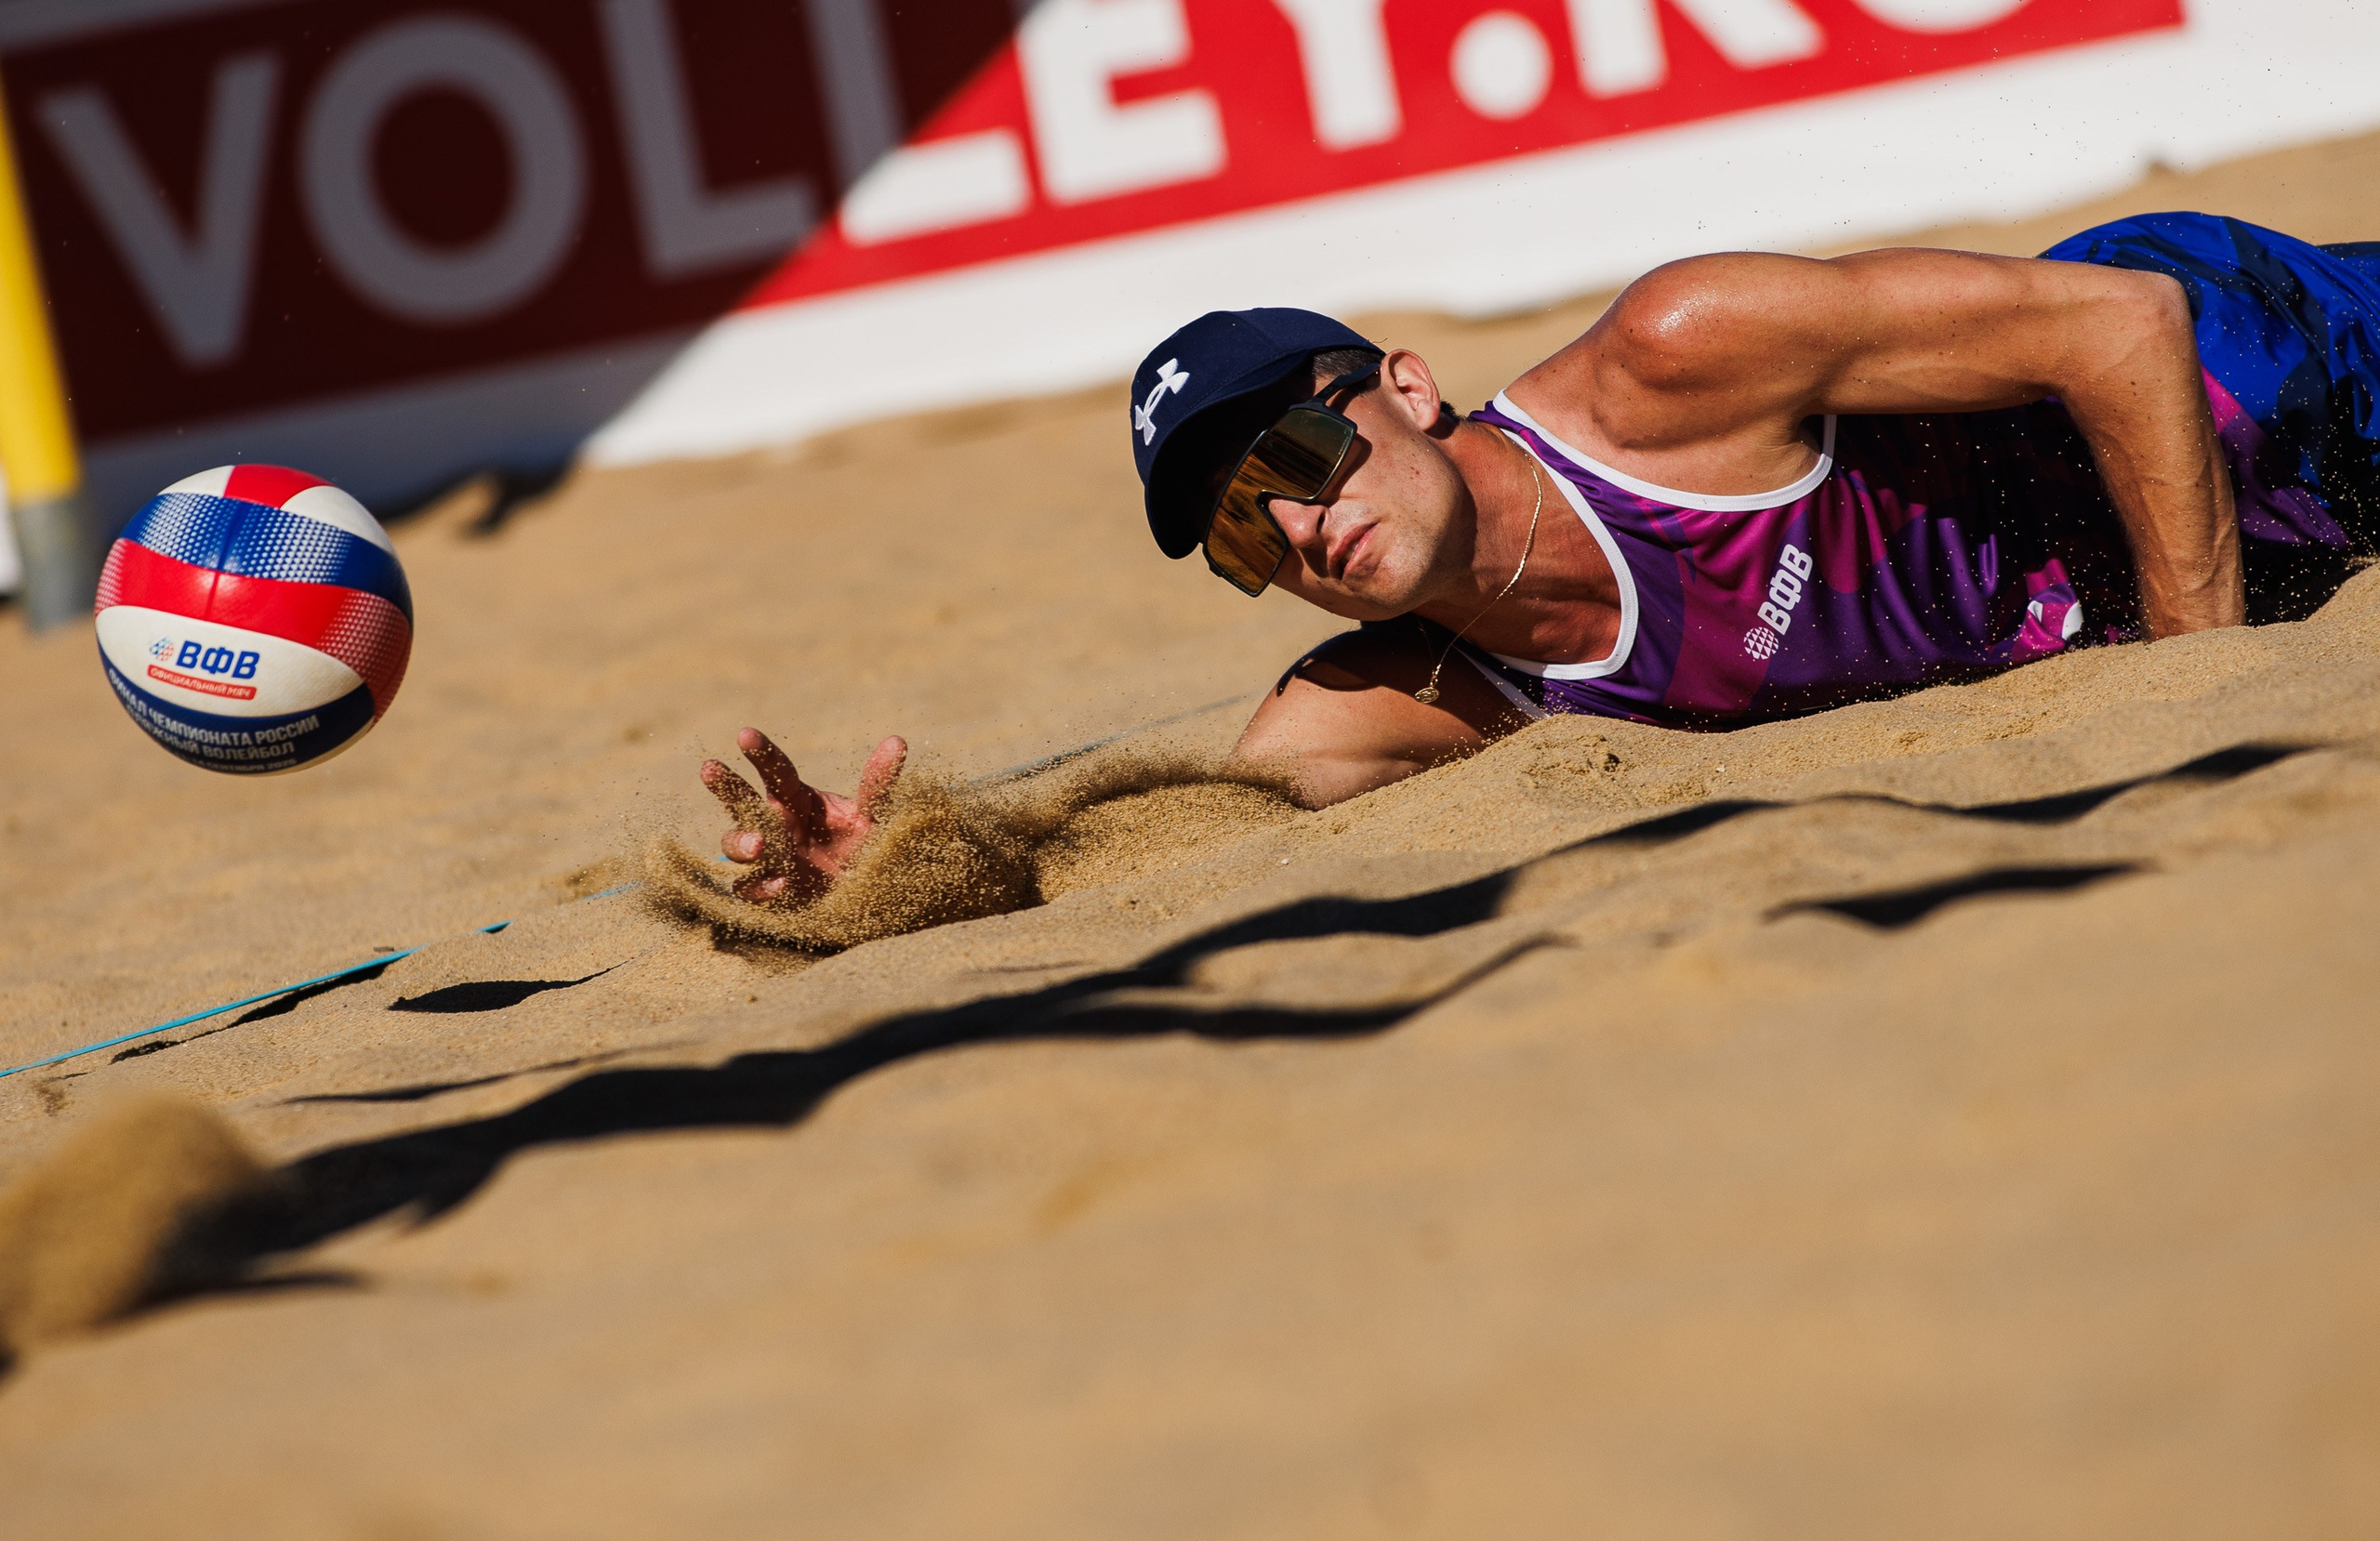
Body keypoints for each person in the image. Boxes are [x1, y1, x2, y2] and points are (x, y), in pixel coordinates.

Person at [701, 211, 2380, 902]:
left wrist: (2193, 686)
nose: (1295, 524)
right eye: (1238, 534)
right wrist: (912, 873)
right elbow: (1183, 831)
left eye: (1298, 450)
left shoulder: (1673, 359)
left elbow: (2123, 329)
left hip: (2246, 386)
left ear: (1409, 390)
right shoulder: (1406, 695)